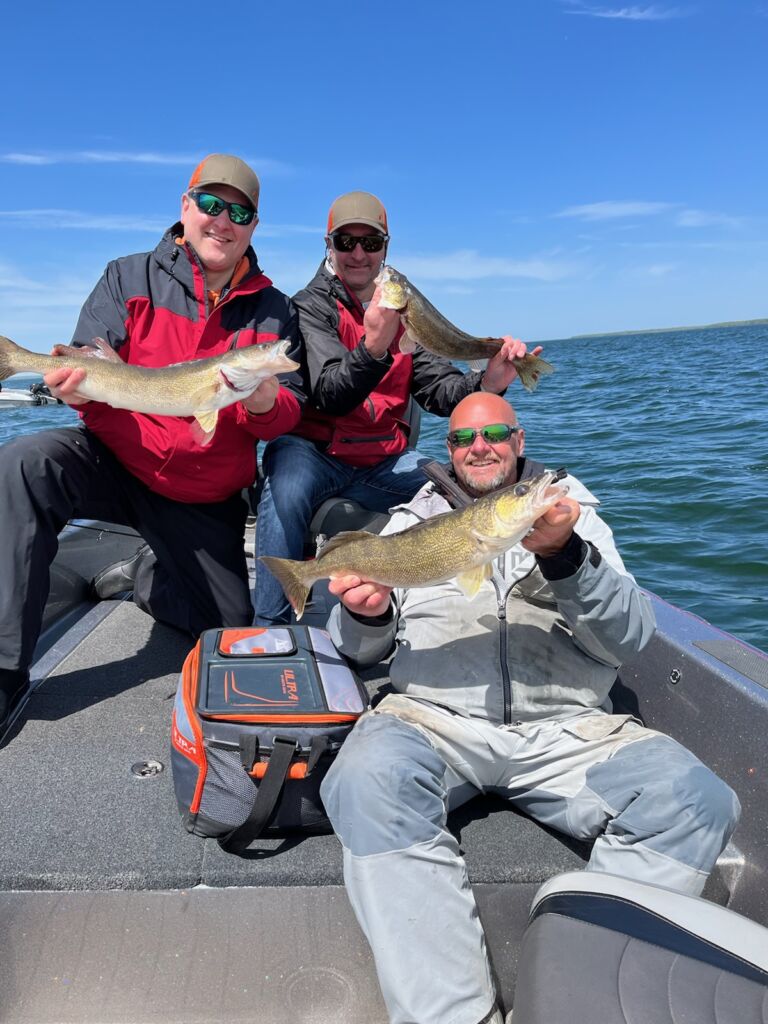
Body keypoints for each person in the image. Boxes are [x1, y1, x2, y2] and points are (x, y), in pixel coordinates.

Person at [320, 391, 741, 1024]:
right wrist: (361, 613)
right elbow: (356, 650)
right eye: (463, 439)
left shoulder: (573, 518)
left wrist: (566, 557)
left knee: (698, 801)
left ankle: (580, 1005)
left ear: (519, 441)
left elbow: (627, 639)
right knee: (363, 779)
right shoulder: (405, 527)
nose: (479, 446)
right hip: (434, 719)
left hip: (571, 726)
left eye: (495, 433)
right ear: (450, 452)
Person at [0, 154, 305, 732]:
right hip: (116, 464)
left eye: (239, 212)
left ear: (254, 227)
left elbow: (291, 411)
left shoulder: (275, 310)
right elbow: (89, 360)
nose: (223, 220)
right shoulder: (126, 275)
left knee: (226, 631)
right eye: (211, 205)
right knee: (24, 463)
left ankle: (148, 577)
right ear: (186, 208)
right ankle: (4, 668)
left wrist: (264, 401)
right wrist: (78, 390)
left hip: (200, 496)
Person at [253, 190, 536, 625]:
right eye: (346, 242)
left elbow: (440, 391)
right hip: (315, 454)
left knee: (465, 492)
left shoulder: (407, 308)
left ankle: (490, 606)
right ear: (329, 246)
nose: (359, 254)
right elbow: (329, 392)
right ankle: (270, 626)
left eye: (372, 242)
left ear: (386, 246)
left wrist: (489, 384)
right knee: (285, 489)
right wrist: (374, 346)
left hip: (383, 459)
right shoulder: (306, 308)